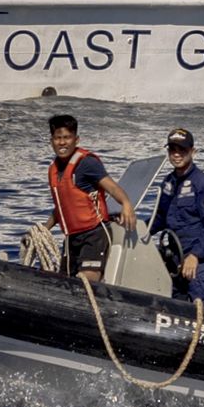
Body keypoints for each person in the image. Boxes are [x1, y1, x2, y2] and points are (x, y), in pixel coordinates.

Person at [44, 114, 136, 283]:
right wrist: (44, 229)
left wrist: (126, 203)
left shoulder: (87, 164)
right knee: (64, 282)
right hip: (71, 238)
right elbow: (63, 207)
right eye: (58, 138)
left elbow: (112, 187)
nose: (62, 143)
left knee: (87, 282)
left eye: (67, 138)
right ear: (51, 141)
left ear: (76, 139)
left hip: (94, 234)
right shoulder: (54, 169)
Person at [148, 128, 204, 308]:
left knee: (202, 308)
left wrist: (195, 255)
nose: (177, 154)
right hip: (173, 260)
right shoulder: (168, 182)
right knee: (173, 307)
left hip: (197, 263)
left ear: (192, 151)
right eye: (173, 150)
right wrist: (138, 230)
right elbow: (160, 217)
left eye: (182, 150)